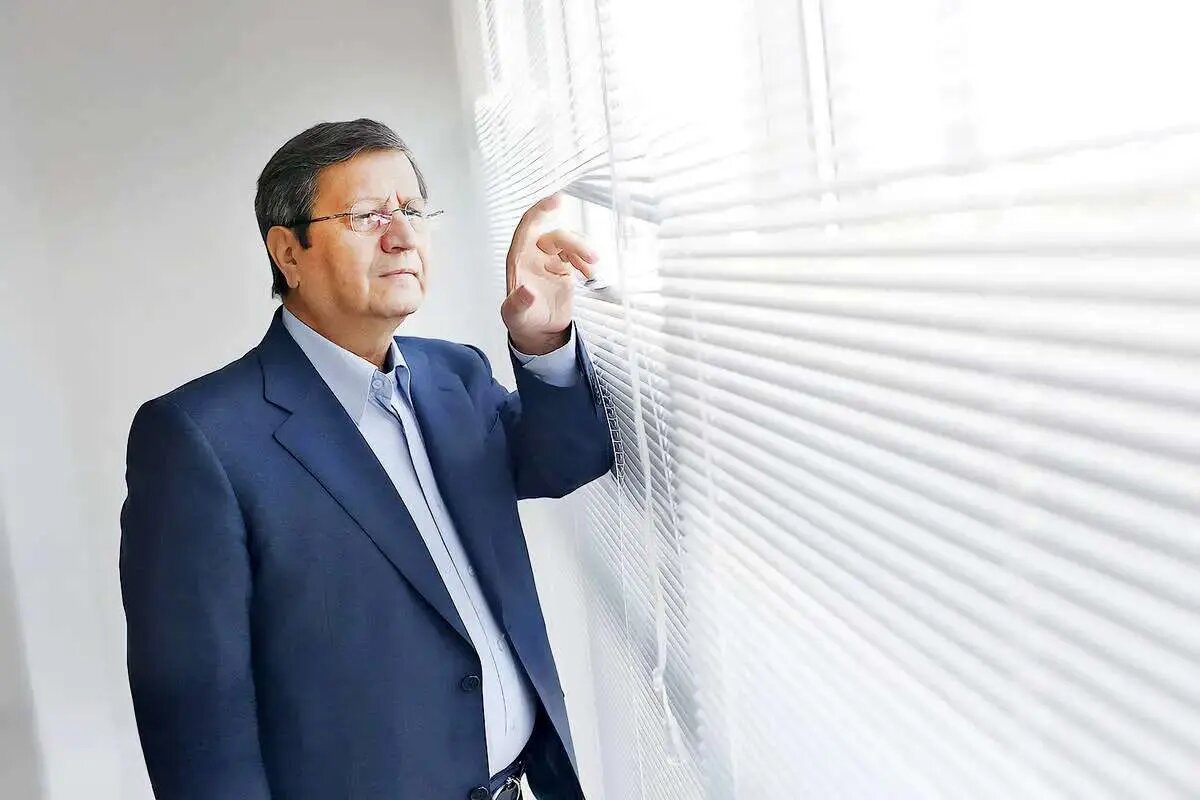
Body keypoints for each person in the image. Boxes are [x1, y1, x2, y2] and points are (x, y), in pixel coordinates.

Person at [119, 118, 613, 800]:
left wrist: (543, 337)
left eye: (412, 210)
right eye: (367, 215)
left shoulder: (456, 377)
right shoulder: (197, 439)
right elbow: (198, 726)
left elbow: (567, 461)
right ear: (288, 252)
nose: (402, 234)